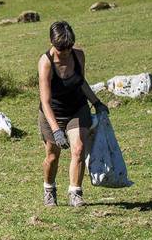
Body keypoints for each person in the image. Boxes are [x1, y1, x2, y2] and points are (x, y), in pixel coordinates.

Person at [37, 21, 108, 207]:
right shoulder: (46, 62)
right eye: (62, 49)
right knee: (53, 156)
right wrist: (56, 130)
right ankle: (49, 189)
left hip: (77, 108)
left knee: (78, 149)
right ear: (52, 43)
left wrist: (96, 102)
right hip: (52, 112)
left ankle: (75, 192)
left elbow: (81, 82)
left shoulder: (78, 55)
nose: (66, 52)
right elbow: (45, 101)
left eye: (69, 48)